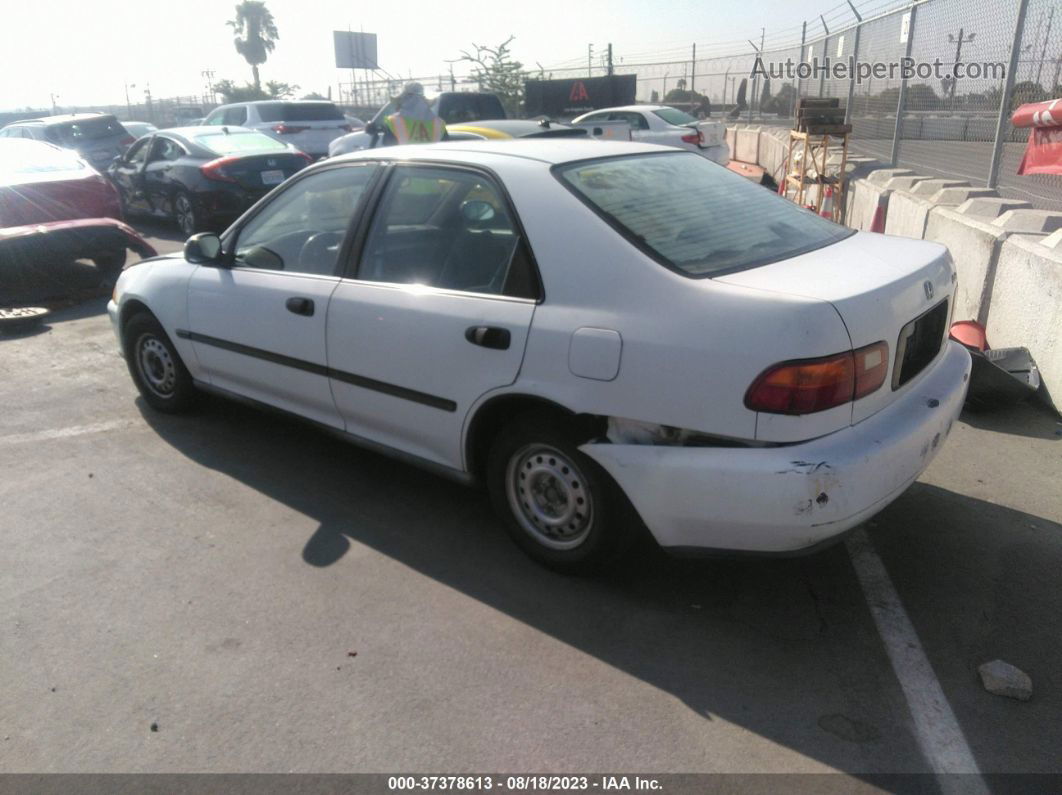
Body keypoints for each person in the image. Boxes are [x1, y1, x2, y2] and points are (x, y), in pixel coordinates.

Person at [366, 82, 447, 147]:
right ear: (425, 103)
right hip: (432, 166)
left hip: (404, 166)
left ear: (403, 101)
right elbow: (446, 148)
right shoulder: (439, 123)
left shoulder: (394, 122)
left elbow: (389, 147)